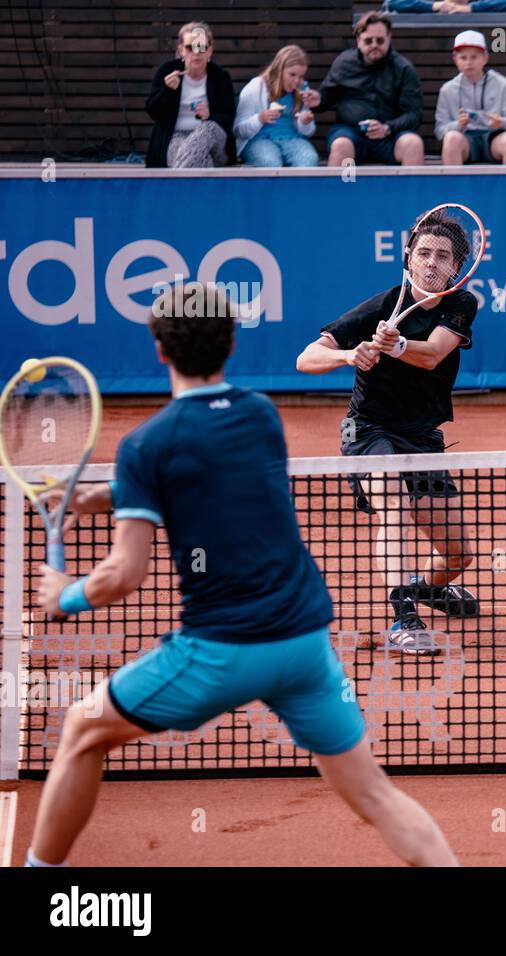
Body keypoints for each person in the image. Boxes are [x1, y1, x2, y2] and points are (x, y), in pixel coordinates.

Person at [28, 282, 458, 868]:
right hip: (306, 647)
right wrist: (95, 498)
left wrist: (66, 596)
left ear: (158, 349)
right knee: (376, 796)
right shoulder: (259, 417)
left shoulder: (147, 445)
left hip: (220, 651)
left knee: (81, 731)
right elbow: (198, 471)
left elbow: (123, 575)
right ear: (229, 344)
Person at [295, 210, 480, 650]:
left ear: (456, 267)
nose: (432, 263)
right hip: (370, 430)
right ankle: (404, 621)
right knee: (392, 503)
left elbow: (432, 354)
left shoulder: (461, 304)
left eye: (442, 256)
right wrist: (347, 356)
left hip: (421, 438)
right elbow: (305, 359)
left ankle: (426, 588)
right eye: (424, 254)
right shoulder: (380, 306)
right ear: (409, 259)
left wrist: (394, 345)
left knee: (459, 554)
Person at [315, 10, 424, 167]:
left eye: (380, 40)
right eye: (368, 41)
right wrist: (315, 100)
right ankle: (346, 188)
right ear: (358, 40)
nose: (374, 45)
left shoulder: (403, 68)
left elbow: (414, 114)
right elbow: (325, 99)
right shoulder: (344, 63)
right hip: (351, 134)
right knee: (341, 146)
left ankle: (407, 192)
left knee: (412, 144)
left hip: (390, 137)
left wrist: (387, 128)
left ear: (389, 38)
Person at [145, 22, 236, 169]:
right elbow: (153, 112)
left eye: (202, 47)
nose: (197, 52)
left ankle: (178, 188)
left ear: (210, 51)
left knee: (208, 129)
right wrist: (167, 90)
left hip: (215, 141)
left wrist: (210, 115)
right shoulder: (167, 71)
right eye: (190, 47)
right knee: (198, 159)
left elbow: (229, 117)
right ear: (181, 50)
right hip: (176, 136)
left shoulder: (220, 77)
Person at [434, 31, 506, 166]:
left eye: (474, 57)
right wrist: (458, 125)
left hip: (494, 139)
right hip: (465, 140)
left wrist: (502, 123)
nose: (469, 62)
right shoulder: (448, 89)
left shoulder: (502, 84)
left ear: (485, 58)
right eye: (463, 58)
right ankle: (455, 187)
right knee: (451, 139)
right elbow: (440, 130)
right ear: (455, 60)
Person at [234, 45, 319, 167]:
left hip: (293, 138)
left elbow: (308, 131)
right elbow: (238, 130)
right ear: (279, 70)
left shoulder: (303, 89)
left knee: (309, 160)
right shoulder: (257, 87)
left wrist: (305, 121)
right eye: (292, 74)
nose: (297, 81)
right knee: (270, 163)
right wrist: (260, 119)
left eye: (301, 76)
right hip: (260, 140)